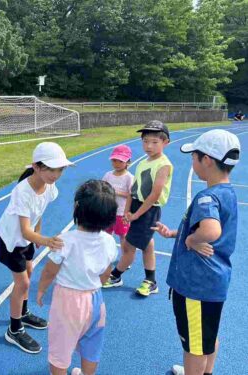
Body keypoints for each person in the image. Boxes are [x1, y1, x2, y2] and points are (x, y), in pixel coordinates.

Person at [152, 129, 240, 375]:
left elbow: (210, 230)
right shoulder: (228, 193)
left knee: (193, 346)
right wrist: (175, 234)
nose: (192, 162)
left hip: (196, 286)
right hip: (213, 282)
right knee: (207, 336)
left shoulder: (207, 197)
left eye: (194, 157)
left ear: (207, 160)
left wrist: (191, 239)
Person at [0, 142, 74, 354]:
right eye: (51, 169)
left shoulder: (50, 188)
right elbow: (23, 230)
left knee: (29, 273)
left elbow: (38, 213)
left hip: (29, 237)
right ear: (36, 167)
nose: (56, 174)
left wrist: (38, 237)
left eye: (60, 169)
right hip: (12, 240)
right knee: (22, 284)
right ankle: (14, 330)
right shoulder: (22, 192)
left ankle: (22, 312)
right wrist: (46, 240)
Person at [37, 180, 118, 375]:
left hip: (68, 303)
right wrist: (95, 285)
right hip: (96, 301)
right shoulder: (109, 241)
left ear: (76, 207)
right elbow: (106, 271)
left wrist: (40, 290)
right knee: (92, 344)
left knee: (60, 350)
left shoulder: (66, 240)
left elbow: (49, 270)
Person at [103, 120, 173, 296]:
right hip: (136, 207)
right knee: (147, 244)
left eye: (154, 142)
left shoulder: (163, 164)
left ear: (165, 143)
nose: (148, 146)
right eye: (145, 141)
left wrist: (135, 215)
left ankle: (116, 275)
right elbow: (133, 191)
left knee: (129, 246)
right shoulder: (143, 162)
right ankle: (150, 280)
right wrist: (128, 210)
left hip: (148, 209)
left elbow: (154, 194)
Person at [102, 144, 133, 249]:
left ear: (128, 162)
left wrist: (116, 192)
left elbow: (132, 195)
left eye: (120, 161)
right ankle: (105, 253)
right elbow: (101, 188)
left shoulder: (129, 178)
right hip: (108, 211)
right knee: (106, 234)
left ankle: (125, 257)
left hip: (121, 213)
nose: (117, 164)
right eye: (114, 160)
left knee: (123, 236)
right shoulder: (108, 175)